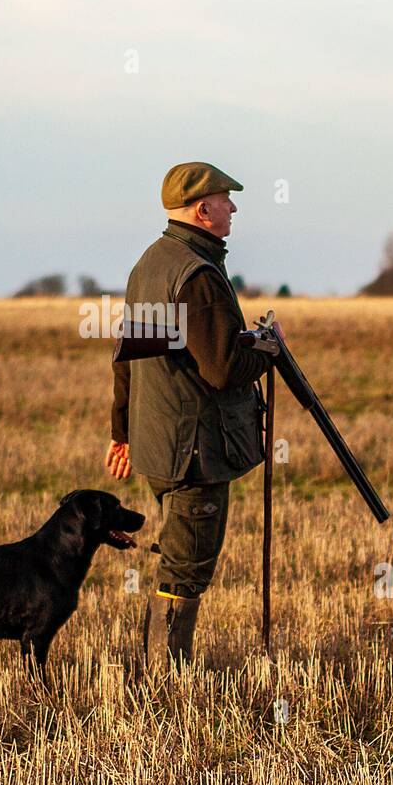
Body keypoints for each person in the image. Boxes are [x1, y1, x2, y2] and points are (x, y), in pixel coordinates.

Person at [106, 162, 277, 673]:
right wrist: (267, 350)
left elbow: (129, 357)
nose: (234, 208)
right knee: (184, 571)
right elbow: (223, 369)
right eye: (227, 200)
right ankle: (165, 684)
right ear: (203, 210)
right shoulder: (197, 275)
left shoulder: (153, 263)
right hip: (196, 451)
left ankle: (161, 676)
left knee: (178, 560)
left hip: (163, 446)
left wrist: (123, 432)